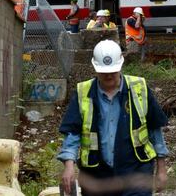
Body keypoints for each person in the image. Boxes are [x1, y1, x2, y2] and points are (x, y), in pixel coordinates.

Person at [57, 40, 169, 196]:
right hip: (97, 175)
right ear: (95, 67)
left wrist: (161, 169)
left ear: (121, 65)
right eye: (103, 71)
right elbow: (72, 133)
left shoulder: (139, 88)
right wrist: (69, 165)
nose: (108, 75)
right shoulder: (83, 92)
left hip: (136, 171)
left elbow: (155, 130)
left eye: (113, 71)